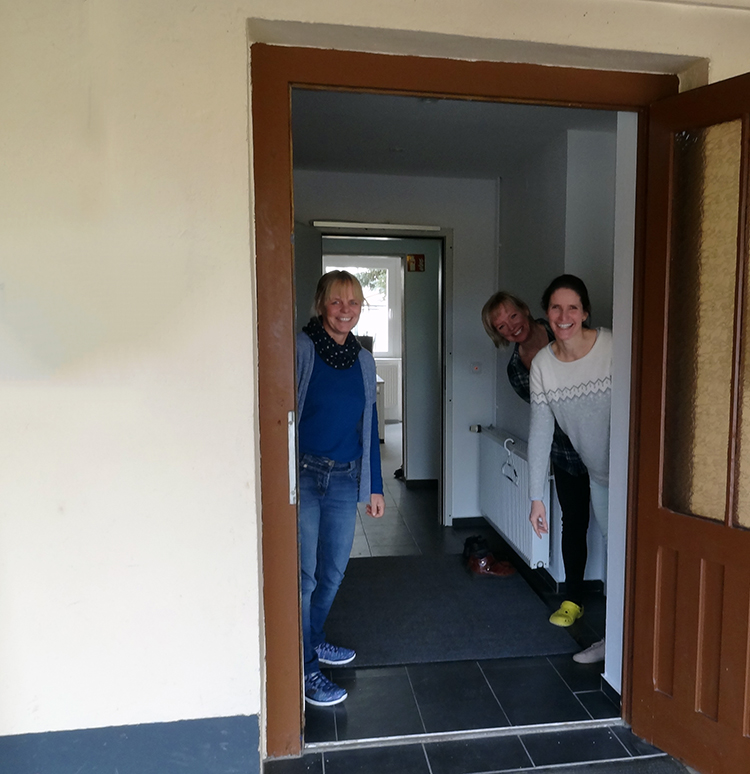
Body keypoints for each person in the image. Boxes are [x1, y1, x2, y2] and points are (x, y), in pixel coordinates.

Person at [296, 270, 386, 707]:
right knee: (304, 576)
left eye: (353, 302)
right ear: (321, 304)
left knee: (333, 571)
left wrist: (375, 486)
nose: (345, 310)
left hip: (345, 478)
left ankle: (311, 639)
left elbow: (369, 424)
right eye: (336, 301)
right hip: (304, 475)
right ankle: (305, 668)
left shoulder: (364, 361)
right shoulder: (301, 348)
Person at [481, 291, 592, 625]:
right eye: (501, 326)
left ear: (526, 310)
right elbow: (546, 417)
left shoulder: (564, 328)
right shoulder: (517, 370)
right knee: (574, 523)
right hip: (565, 452)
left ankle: (626, 601)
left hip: (605, 443)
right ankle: (573, 599)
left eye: (513, 316)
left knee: (617, 522)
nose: (511, 327)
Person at [527, 275, 612, 664]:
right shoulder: (543, 365)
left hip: (634, 474)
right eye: (556, 308)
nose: (564, 316)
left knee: (634, 556)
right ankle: (617, 644)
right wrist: (536, 498)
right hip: (600, 476)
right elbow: (540, 431)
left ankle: (625, 645)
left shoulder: (612, 347)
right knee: (618, 556)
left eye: (572, 307)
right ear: (546, 313)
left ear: (585, 312)